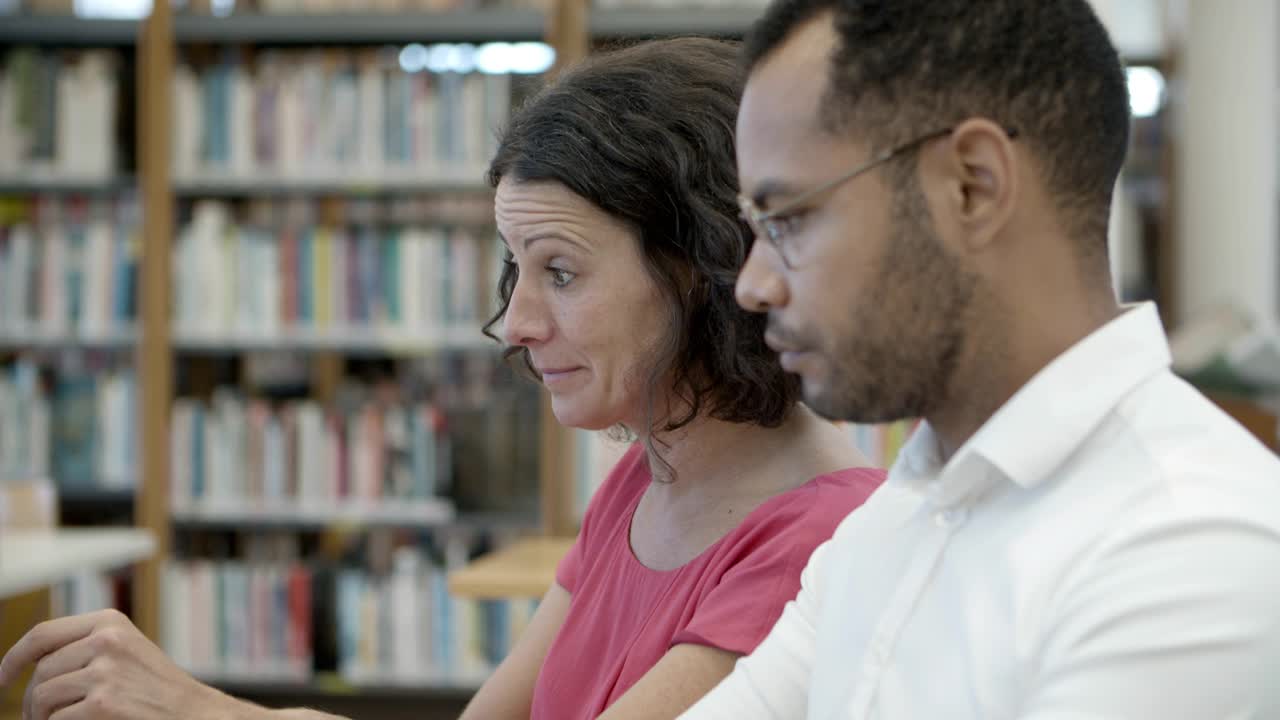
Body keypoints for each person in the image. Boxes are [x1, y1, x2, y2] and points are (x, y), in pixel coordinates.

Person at [0, 38, 885, 720]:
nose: (517, 323)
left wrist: (200, 706)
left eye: (562, 272)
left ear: (703, 266)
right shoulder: (648, 475)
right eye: (516, 268)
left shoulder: (820, 540)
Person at [678, 1, 1280, 718]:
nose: (753, 284)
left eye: (788, 219)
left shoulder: (1191, 547)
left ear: (973, 185)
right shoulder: (897, 512)